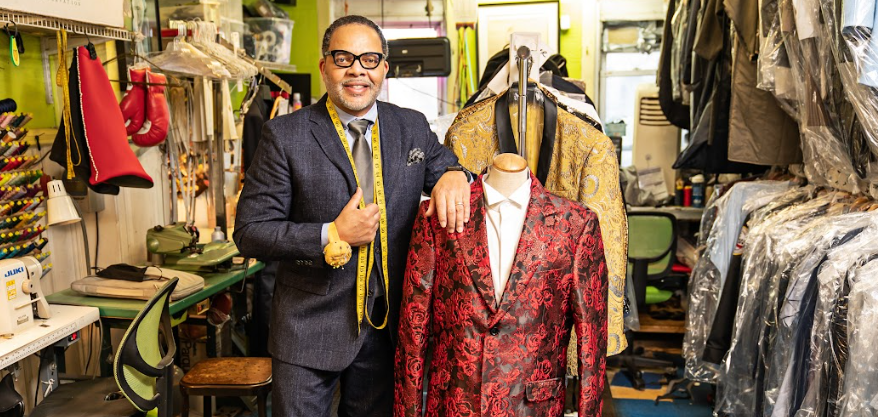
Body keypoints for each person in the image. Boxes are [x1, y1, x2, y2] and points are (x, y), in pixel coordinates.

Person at [233, 15, 472, 417]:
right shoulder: (285, 135)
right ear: (324, 66)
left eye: (369, 59)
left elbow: (445, 167)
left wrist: (454, 174)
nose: (357, 69)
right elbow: (250, 231)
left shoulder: (411, 127)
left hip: (385, 330)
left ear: (384, 68)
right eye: (343, 58)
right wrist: (331, 234)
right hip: (307, 330)